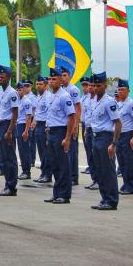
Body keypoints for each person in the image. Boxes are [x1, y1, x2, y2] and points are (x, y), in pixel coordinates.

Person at [89, 72, 121, 210]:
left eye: (99, 85)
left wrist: (113, 143)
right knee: (100, 170)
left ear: (105, 86)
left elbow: (118, 123)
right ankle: (104, 198)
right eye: (94, 85)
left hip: (106, 137)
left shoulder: (109, 102)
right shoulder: (94, 101)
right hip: (95, 137)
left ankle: (112, 200)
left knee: (108, 170)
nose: (96, 88)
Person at [44, 68, 76, 204]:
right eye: (50, 79)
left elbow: (71, 117)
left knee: (63, 165)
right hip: (51, 132)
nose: (51, 82)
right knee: (54, 164)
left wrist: (67, 138)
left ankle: (64, 194)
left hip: (61, 132)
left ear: (60, 80)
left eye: (54, 79)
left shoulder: (64, 96)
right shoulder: (50, 95)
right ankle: (56, 193)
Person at [0, 66, 19, 197]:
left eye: (2, 77)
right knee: (3, 158)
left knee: (10, 158)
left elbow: (15, 113)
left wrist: (9, 131)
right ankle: (7, 185)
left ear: (9, 78)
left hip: (7, 126)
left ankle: (11, 187)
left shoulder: (12, 93)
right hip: (1, 125)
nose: (0, 79)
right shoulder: (2, 93)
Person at [116, 79, 133, 195]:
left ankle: (131, 186)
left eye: (122, 89)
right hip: (120, 135)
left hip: (128, 134)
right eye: (119, 89)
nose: (120, 91)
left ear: (128, 91)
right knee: (122, 161)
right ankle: (126, 183)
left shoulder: (131, 103)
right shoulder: (119, 104)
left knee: (130, 162)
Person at [60, 67, 81, 186]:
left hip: (71, 124)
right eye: (61, 76)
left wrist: (75, 125)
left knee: (72, 152)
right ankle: (67, 175)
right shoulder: (61, 90)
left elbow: (78, 108)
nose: (63, 78)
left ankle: (74, 177)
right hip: (64, 124)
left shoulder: (73, 89)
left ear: (69, 76)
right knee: (65, 151)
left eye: (64, 75)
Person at [31, 76, 52, 184]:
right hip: (39, 125)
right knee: (41, 150)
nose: (38, 86)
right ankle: (43, 173)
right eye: (37, 84)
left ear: (46, 85)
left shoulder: (48, 97)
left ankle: (47, 174)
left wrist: (47, 127)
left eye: (40, 84)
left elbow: (49, 112)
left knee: (46, 152)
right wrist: (34, 121)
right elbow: (37, 111)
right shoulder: (39, 97)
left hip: (44, 126)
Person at [16, 81, 33, 181]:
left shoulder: (27, 101)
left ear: (24, 90)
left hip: (24, 126)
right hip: (19, 125)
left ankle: (27, 172)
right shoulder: (18, 101)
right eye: (17, 90)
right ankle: (24, 170)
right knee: (21, 150)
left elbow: (28, 117)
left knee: (25, 150)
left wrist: (26, 131)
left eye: (20, 90)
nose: (18, 91)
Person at [23, 80, 38, 166]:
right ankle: (27, 160)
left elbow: (35, 110)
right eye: (24, 86)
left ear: (31, 87)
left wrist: (34, 121)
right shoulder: (22, 96)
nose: (26, 87)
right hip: (24, 119)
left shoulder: (33, 97)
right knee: (26, 141)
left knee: (31, 141)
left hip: (31, 119)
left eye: (27, 86)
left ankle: (32, 160)